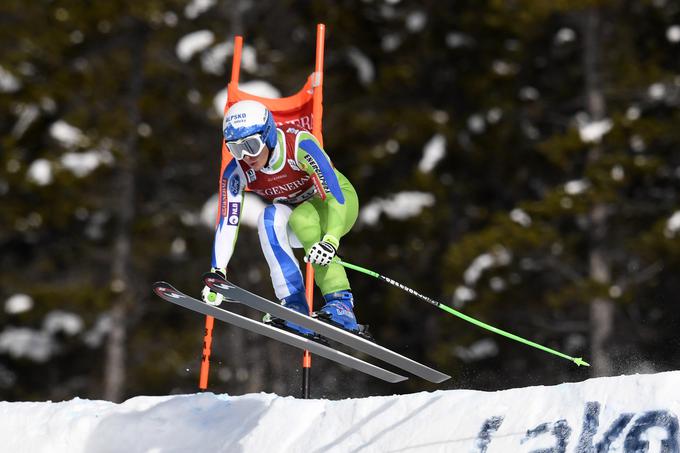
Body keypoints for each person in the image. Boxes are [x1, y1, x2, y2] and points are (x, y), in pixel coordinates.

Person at [201, 99, 361, 336]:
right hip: (298, 214)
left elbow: (333, 194)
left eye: (252, 145)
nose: (246, 156)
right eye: (235, 148)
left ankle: (342, 304)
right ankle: (293, 305)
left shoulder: (298, 144)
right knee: (268, 217)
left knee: (302, 219)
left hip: (338, 206)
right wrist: (218, 271)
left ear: (268, 134)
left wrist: (331, 240)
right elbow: (228, 221)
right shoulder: (237, 172)